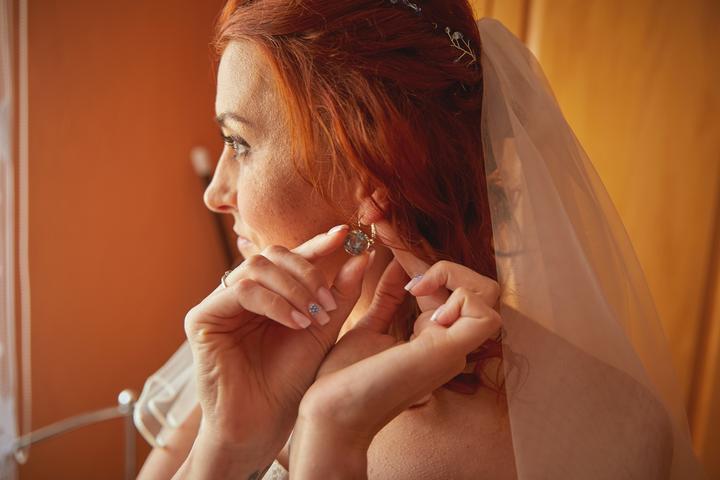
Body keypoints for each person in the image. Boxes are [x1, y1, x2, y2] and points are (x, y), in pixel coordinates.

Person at [135, 1, 707, 478]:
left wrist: (330, 435)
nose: (216, 194)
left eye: (239, 143)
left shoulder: (597, 430)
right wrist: (227, 446)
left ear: (372, 172)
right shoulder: (247, 349)